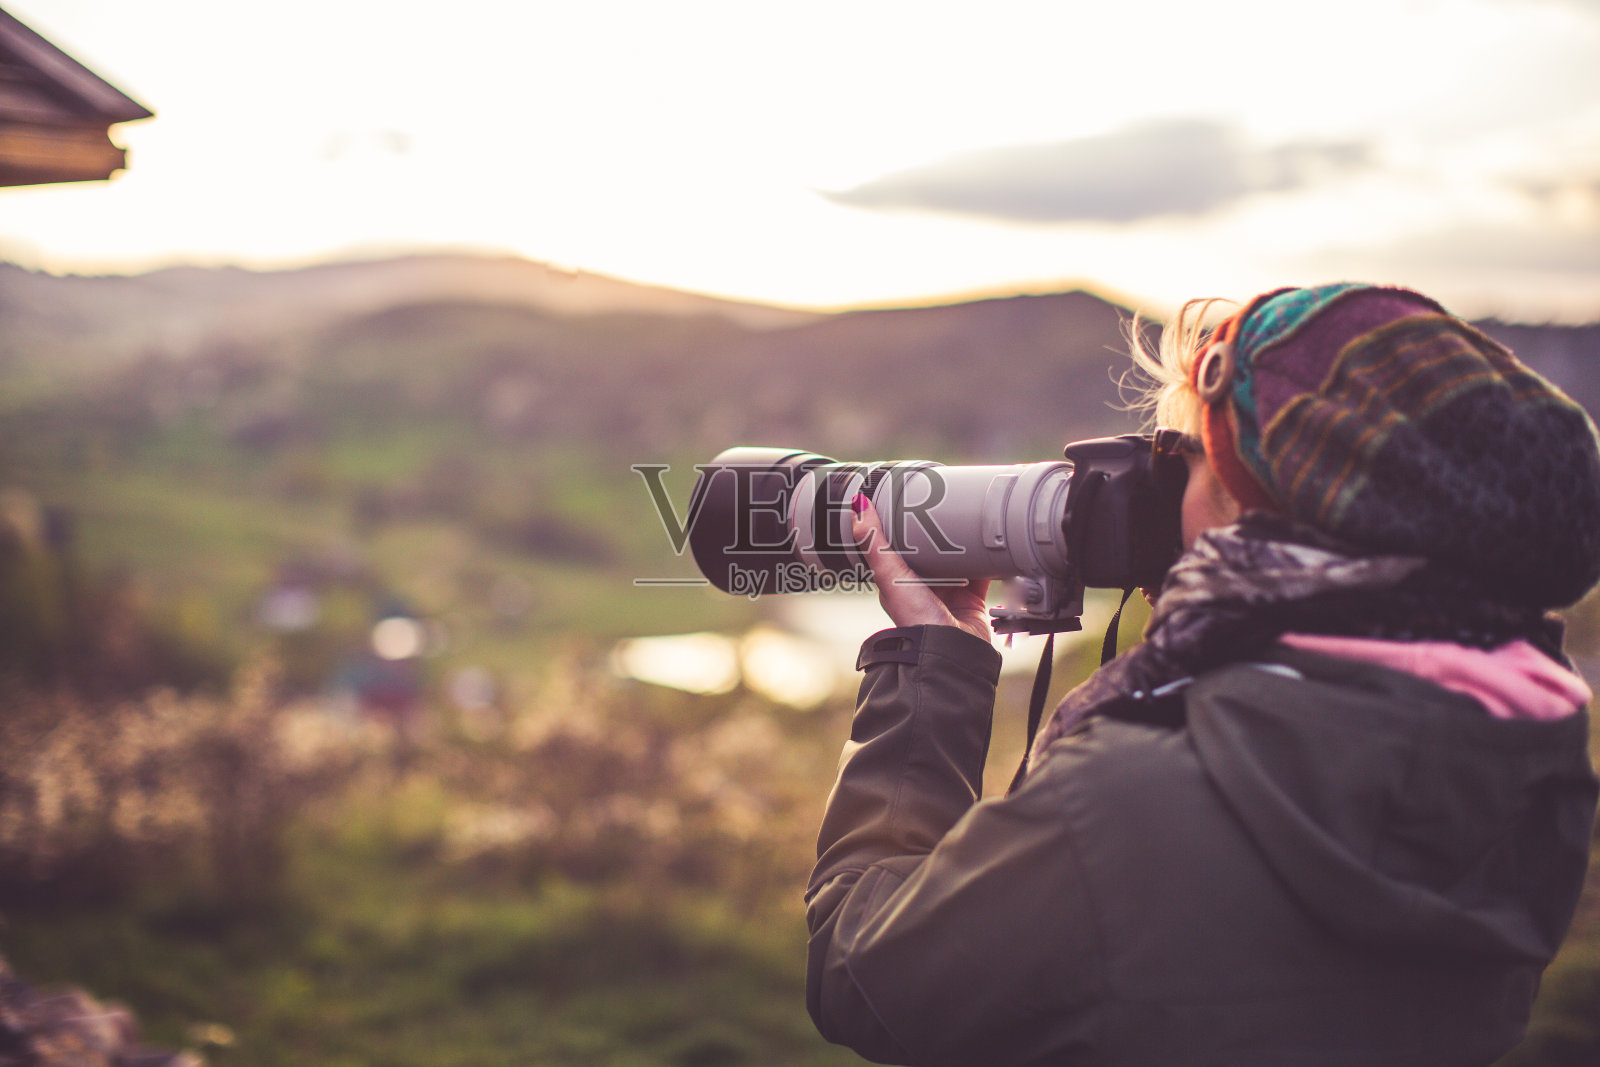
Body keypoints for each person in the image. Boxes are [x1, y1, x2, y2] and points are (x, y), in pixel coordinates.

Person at [805, 283, 1600, 1066]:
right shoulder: (1527, 759)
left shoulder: (1130, 800)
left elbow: (866, 974)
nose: (1161, 497)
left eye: (1184, 461)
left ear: (1246, 500)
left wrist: (933, 671)